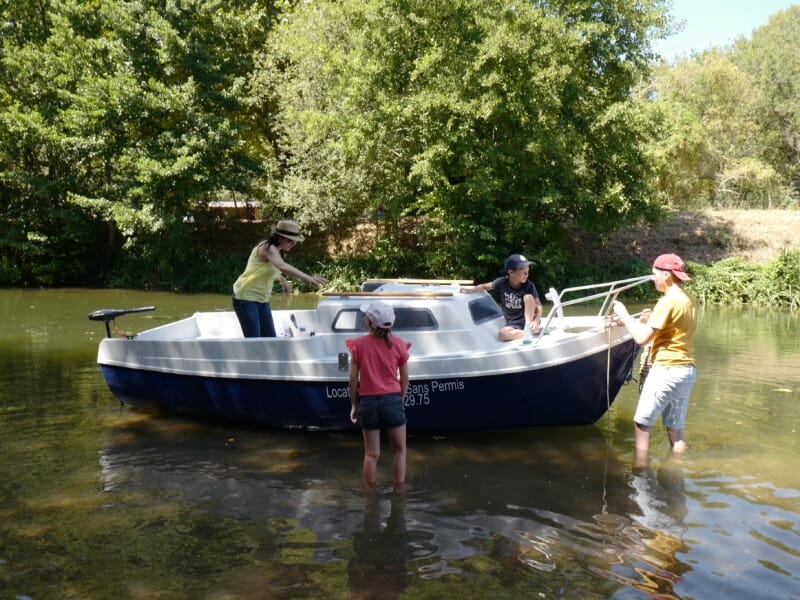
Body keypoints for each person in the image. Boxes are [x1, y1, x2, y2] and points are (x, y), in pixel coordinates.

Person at [612, 253, 698, 468]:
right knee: (676, 431)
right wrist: (634, 322)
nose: (652, 279)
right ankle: (676, 476)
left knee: (642, 425)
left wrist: (623, 314)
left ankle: (640, 475)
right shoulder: (689, 300)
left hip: (666, 370)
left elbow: (641, 339)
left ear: (667, 275)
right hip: (686, 371)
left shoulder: (667, 301)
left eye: (654, 274)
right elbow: (671, 330)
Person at [347, 301, 411, 489]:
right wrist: (401, 399)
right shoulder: (399, 344)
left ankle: (370, 495)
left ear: (370, 323)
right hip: (393, 399)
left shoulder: (358, 345)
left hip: (368, 402)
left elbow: (352, 379)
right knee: (399, 450)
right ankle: (399, 491)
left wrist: (354, 405)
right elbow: (405, 378)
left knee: (371, 454)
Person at [232, 219, 327, 338]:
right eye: (291, 241)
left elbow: (271, 269)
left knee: (271, 339)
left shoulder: (277, 251)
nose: (292, 245)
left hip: (262, 299)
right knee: (254, 341)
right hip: (245, 298)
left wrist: (283, 280)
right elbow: (282, 266)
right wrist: (309, 278)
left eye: (294, 242)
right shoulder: (268, 247)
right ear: (280, 238)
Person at [460, 253, 543, 341]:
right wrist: (470, 290)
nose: (527, 275)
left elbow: (539, 306)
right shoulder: (502, 282)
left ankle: (529, 327)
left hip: (529, 320)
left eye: (528, 272)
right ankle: (529, 332)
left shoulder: (529, 286)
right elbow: (484, 286)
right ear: (511, 272)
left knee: (528, 297)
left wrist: (536, 321)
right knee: (502, 335)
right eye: (523, 272)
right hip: (513, 323)